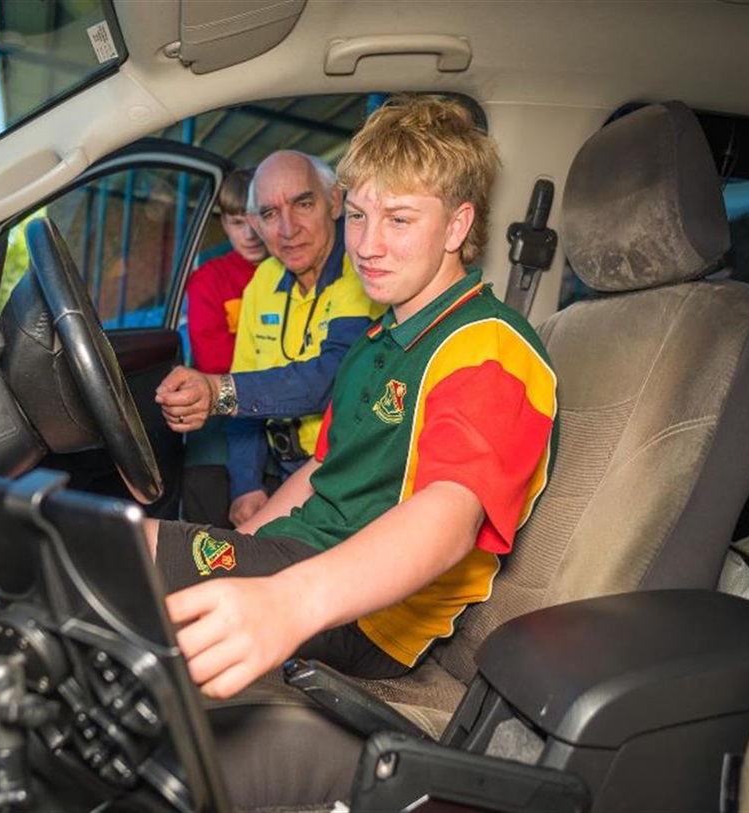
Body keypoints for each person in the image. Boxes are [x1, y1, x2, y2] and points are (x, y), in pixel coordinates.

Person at [145, 95, 558, 703]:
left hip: (372, 612)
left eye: (399, 219)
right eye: (359, 216)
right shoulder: (377, 339)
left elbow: (448, 520)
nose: (366, 245)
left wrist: (288, 603)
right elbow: (321, 468)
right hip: (308, 557)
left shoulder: (487, 349)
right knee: (113, 551)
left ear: (458, 226)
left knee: (122, 551)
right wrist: (247, 544)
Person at [158, 150, 380, 527]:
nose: (288, 230)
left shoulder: (362, 270)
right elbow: (245, 386)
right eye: (270, 214)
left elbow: (330, 379)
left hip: (343, 472)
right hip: (280, 464)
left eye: (303, 204)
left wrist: (218, 392)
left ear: (335, 201)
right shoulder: (263, 280)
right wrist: (245, 485)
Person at [181, 168, 267, 527]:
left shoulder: (293, 273)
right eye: (236, 222)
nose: (249, 234)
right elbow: (213, 361)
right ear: (224, 222)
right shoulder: (209, 279)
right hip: (223, 422)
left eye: (259, 218)